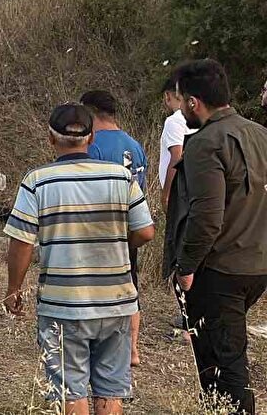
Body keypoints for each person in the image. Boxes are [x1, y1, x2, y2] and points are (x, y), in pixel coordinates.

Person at [4, 103, 154, 415]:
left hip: (63, 305)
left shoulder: (37, 180)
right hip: (117, 302)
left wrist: (13, 289)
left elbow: (22, 242)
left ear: (50, 138)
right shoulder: (122, 177)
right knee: (111, 389)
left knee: (69, 388)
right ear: (91, 139)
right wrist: (117, 244)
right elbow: (146, 232)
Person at [166, 59, 267, 414]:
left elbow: (206, 216)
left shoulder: (206, 142)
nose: (180, 108)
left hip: (219, 268)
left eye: (181, 101)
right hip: (255, 264)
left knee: (221, 370)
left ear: (193, 102)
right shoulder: (259, 134)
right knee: (227, 357)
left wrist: (185, 265)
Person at [80, 89, 149, 368]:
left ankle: (93, 344)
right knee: (129, 287)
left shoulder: (93, 144)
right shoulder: (135, 145)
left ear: (90, 113)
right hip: (130, 227)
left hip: (99, 229)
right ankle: (132, 350)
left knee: (92, 290)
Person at [159, 77, 195, 211]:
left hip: (179, 193)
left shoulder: (173, 121)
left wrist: (167, 194)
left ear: (167, 96)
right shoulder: (197, 118)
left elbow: (177, 156)